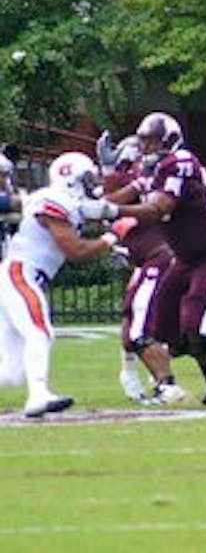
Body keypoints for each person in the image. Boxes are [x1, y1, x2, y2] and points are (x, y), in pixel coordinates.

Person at [85, 113, 206, 410]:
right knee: (166, 331)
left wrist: (110, 213)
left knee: (194, 324)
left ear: (168, 140)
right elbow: (123, 195)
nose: (144, 147)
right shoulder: (158, 169)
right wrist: (100, 197)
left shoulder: (180, 162)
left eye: (150, 141)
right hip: (185, 259)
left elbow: (159, 208)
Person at [0, 153, 120, 417]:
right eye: (87, 179)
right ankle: (39, 396)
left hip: (21, 275)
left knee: (9, 373)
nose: (91, 184)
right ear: (74, 179)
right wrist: (112, 237)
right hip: (22, 273)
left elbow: (101, 208)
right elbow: (75, 250)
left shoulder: (58, 199)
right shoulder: (55, 200)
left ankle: (37, 392)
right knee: (40, 332)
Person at [94, 132, 185, 406]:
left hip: (162, 260)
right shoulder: (137, 181)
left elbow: (114, 206)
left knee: (143, 329)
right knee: (132, 320)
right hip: (150, 262)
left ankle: (167, 384)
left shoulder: (163, 183)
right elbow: (110, 202)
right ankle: (137, 374)